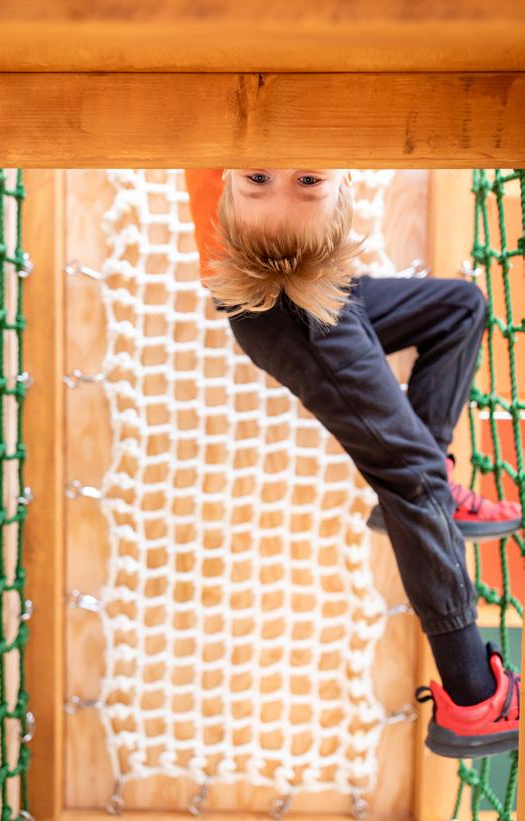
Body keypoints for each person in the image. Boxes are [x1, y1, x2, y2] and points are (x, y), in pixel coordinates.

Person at [184, 168, 522, 759]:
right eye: (259, 178)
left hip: (324, 282)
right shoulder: (233, 148)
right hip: (278, 300)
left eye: (307, 180)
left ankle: (431, 490)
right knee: (411, 479)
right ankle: (473, 698)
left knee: (459, 308)